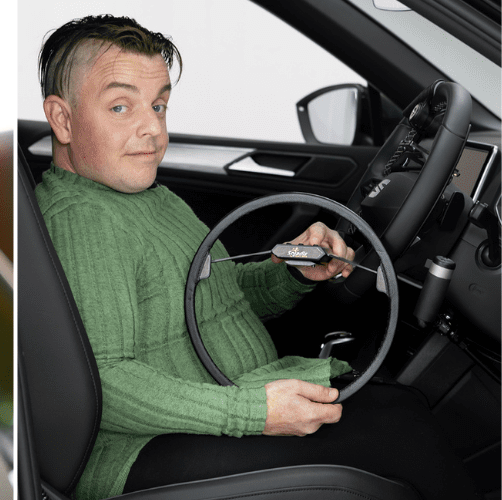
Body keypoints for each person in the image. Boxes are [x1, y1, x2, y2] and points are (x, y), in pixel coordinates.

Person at [33, 14, 478, 500]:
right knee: (401, 432)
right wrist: (254, 412)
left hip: (217, 407)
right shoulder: (82, 219)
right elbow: (103, 380)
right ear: (62, 119)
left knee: (399, 408)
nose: (153, 129)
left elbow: (211, 294)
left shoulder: (144, 197)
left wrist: (294, 273)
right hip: (138, 452)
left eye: (158, 105)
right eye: (121, 107)